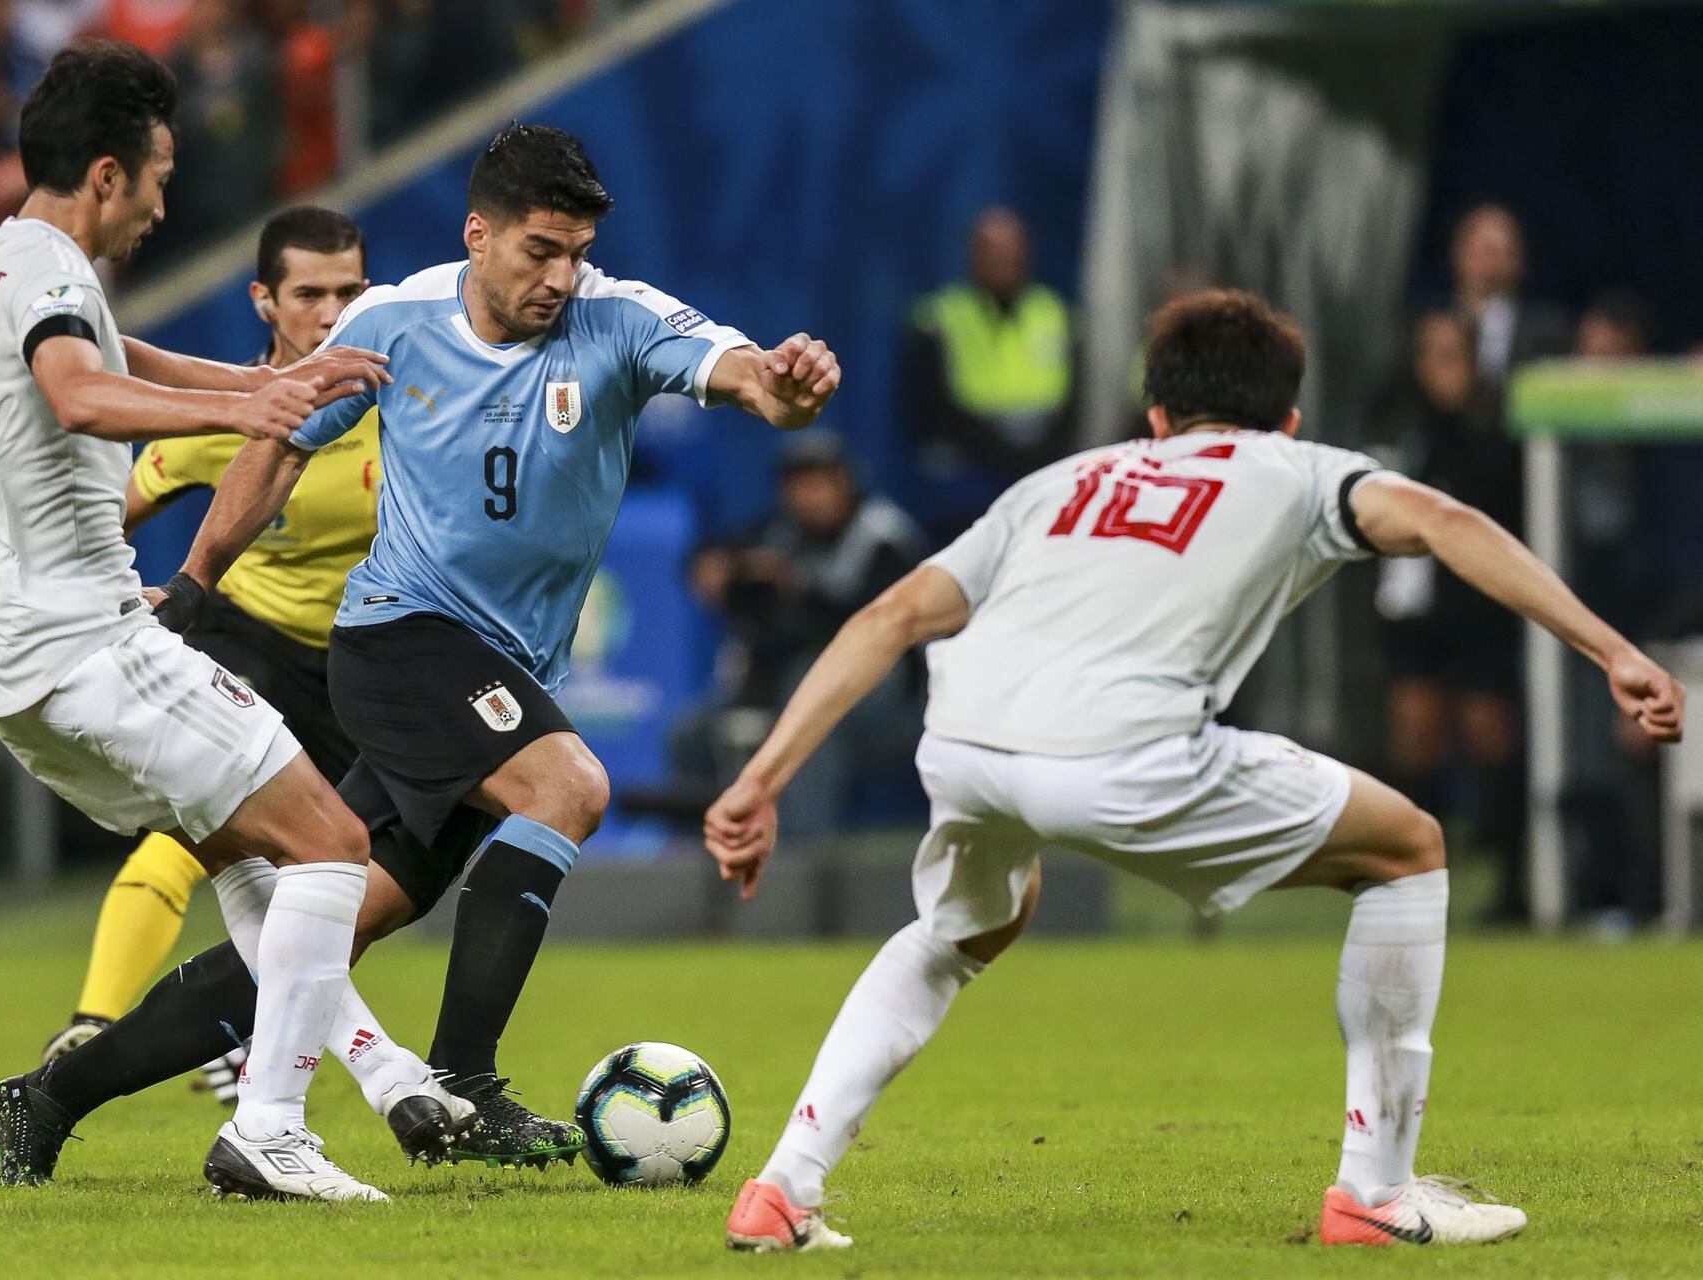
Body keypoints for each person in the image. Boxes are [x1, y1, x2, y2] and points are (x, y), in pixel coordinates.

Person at [707, 289, 1684, 1253]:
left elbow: (890, 619)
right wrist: (1612, 651)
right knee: (1409, 848)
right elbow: (1443, 521)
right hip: (1125, 752)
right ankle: (1376, 1191)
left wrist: (761, 775)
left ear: (1157, 414)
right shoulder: (1300, 468)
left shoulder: (1059, 480)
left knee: (964, 925)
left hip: (967, 742)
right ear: (1289, 415)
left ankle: (782, 1186)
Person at [133, 121, 839, 1164]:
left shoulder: (618, 318)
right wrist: (194, 586)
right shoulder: (394, 320)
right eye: (538, 251)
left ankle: (57, 1092)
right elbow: (281, 444)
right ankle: (464, 1082)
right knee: (571, 787)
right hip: (400, 637)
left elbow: (740, 373)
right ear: (479, 234)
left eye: (576, 252)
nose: (562, 275)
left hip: (505, 667)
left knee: (334, 921)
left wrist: (782, 386)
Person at [0, 41, 463, 1204]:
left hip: (14, 664)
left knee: (255, 856)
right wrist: (244, 404)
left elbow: (120, 359)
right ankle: (268, 1126)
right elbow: (83, 392)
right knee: (336, 842)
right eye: (158, 175)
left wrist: (258, 390)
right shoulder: (53, 276)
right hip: (87, 640)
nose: (164, 201)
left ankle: (385, 1078)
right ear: (104, 174)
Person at [39, 205, 377, 1104]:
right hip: (248, 644)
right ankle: (94, 1023)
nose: (333, 311)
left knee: (329, 883)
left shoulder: (398, 397)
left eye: (351, 290)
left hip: (359, 671)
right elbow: (106, 519)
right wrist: (107, 597)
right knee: (192, 835)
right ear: (266, 301)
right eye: (311, 292)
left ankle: (244, 1043)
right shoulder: (228, 415)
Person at [671, 430, 923, 835]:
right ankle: (703, 862)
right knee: (692, 735)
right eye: (798, 485)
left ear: (846, 482)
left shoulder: (883, 538)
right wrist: (716, 568)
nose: (809, 496)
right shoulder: (781, 531)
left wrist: (800, 585)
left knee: (811, 728)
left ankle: (803, 874)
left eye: (820, 482)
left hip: (882, 703)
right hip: (783, 694)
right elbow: (713, 558)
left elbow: (871, 625)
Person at [1370, 312, 1527, 923]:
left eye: (1453, 353)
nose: (1444, 367)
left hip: (1478, 607)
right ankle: (1416, 881)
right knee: (1416, 734)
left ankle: (1514, 884)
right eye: (1431, 353)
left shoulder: (1493, 433)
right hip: (1416, 611)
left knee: (1491, 732)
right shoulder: (1402, 429)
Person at [901, 207, 1073, 540]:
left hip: (1044, 460)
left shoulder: (1056, 313)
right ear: (972, 255)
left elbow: (1078, 396)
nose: (1003, 260)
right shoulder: (938, 318)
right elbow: (922, 405)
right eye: (993, 250)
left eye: (1012, 250)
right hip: (972, 470)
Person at [1446, 203, 1571, 383]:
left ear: (1520, 262)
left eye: (1507, 253)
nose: (1495, 264)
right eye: (1488, 251)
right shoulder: (1426, 322)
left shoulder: (1550, 330)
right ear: (1460, 254)